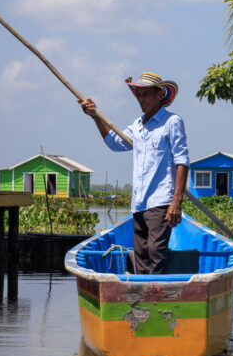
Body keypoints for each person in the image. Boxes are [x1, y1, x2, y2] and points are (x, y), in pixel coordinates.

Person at [78, 71, 190, 274]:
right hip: (139, 203)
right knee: (142, 257)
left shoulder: (171, 122)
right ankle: (143, 292)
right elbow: (114, 142)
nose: (141, 99)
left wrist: (176, 201)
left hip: (160, 201)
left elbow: (182, 162)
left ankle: (155, 292)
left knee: (155, 253)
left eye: (145, 94)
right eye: (138, 95)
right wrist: (95, 116)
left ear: (159, 94)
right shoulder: (138, 126)